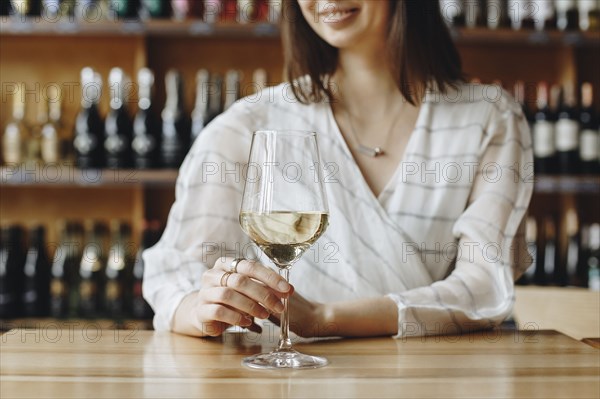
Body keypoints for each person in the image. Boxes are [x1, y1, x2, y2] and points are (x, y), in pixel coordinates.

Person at [143, 0, 533, 338]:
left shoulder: (489, 118)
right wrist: (201, 307)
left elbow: (485, 288)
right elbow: (173, 274)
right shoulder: (249, 125)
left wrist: (323, 319)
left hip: (427, 379)